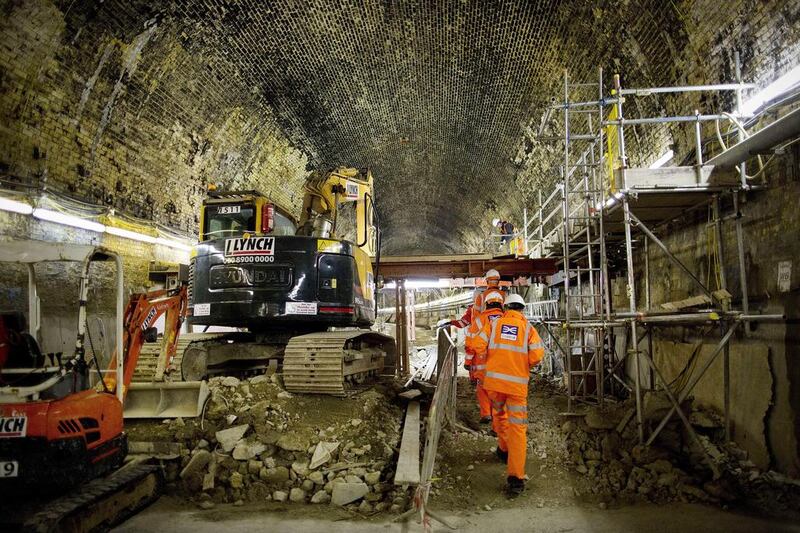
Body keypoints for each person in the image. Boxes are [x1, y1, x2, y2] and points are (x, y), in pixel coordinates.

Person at [472, 293, 545, 496]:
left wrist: (494, 356)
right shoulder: (528, 329)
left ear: (506, 309)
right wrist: (520, 362)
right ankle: (515, 478)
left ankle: (503, 450)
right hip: (517, 389)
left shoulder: (494, 325)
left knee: (500, 416)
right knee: (518, 429)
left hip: (495, 386)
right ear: (522, 310)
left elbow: (477, 345)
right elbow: (537, 356)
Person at [465, 292, 504, 423]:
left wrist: (468, 360)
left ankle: (486, 414)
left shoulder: (479, 320)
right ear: (501, 304)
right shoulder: (507, 319)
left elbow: (471, 343)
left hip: (482, 361)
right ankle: (497, 416)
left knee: (482, 386)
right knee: (498, 388)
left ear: (486, 304)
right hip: (502, 361)